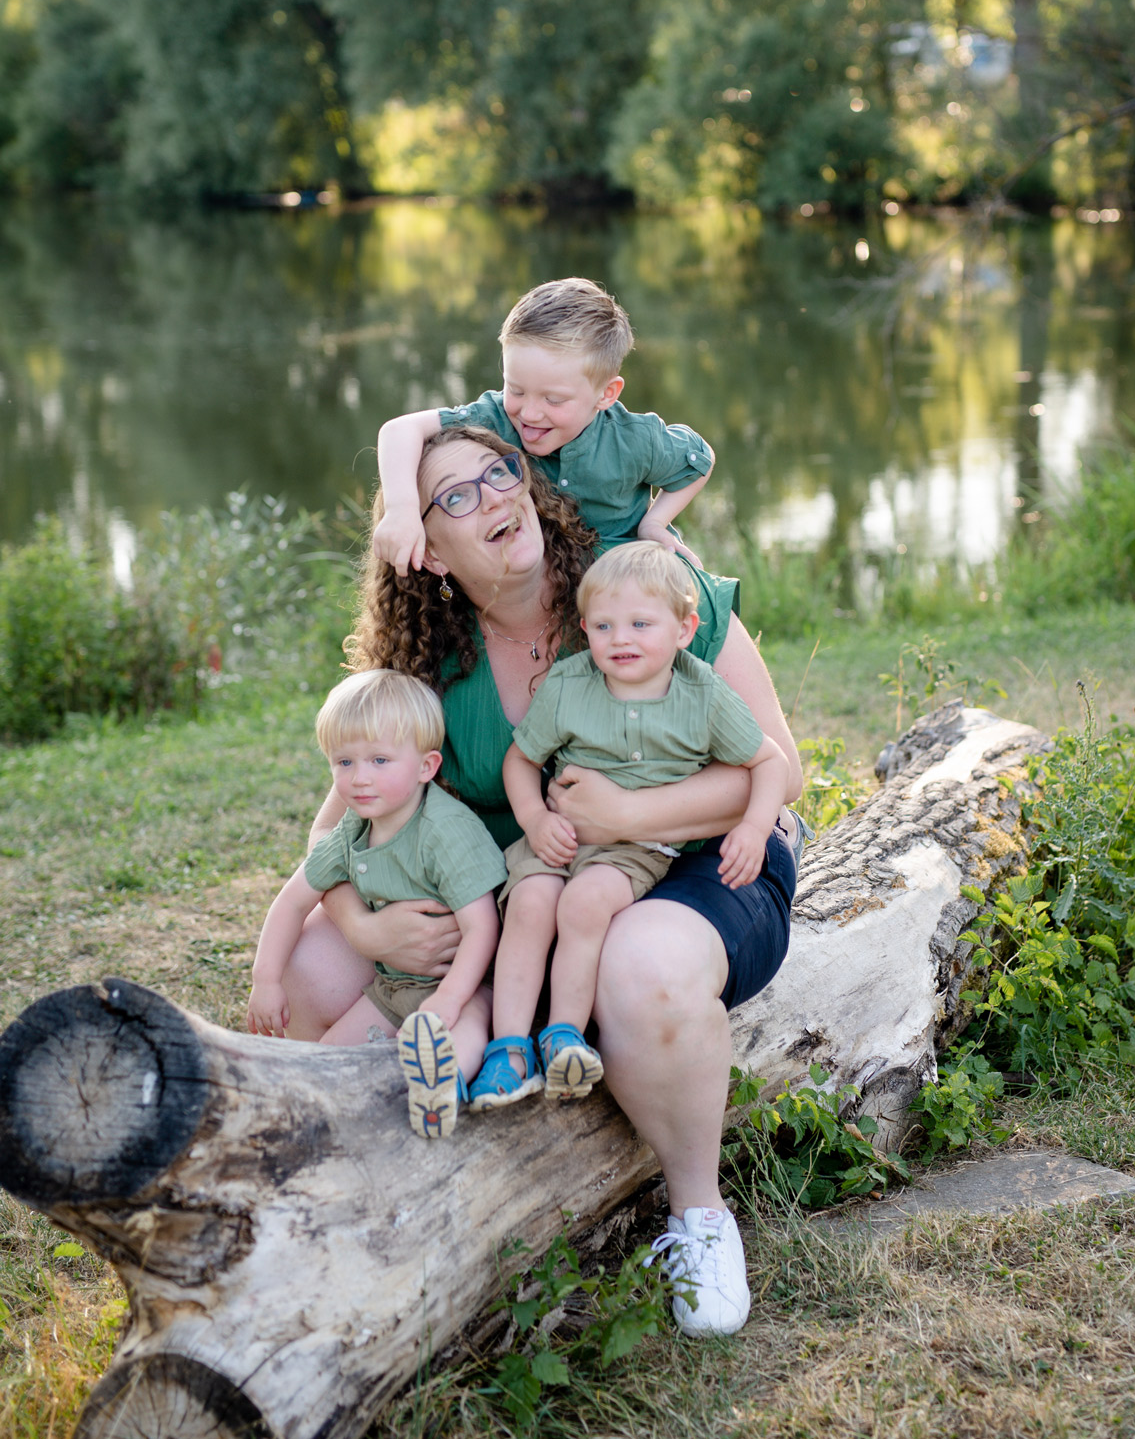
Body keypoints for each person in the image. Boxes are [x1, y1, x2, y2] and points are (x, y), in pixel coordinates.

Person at [280, 426, 804, 1337]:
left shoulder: (638, 590)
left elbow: (778, 770)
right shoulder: (426, 661)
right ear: (427, 552)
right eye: (453, 496)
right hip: (532, 885)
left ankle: (698, 1215)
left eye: (499, 472)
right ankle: (370, 1200)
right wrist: (366, 931)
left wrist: (621, 818)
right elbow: (334, 837)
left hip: (706, 862)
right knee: (315, 971)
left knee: (637, 964)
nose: (491, 495)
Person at [473, 541, 790, 1114]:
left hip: (633, 851)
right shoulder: (570, 685)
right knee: (529, 906)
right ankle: (507, 1050)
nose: (620, 639)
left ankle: (563, 1037)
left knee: (586, 904)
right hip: (557, 835)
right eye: (603, 626)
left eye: (641, 623)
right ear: (585, 629)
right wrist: (535, 819)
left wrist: (752, 826)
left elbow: (770, 762)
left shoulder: (702, 694)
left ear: (684, 629)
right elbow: (521, 760)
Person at [246, 668, 506, 1139]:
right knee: (323, 1068)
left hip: (466, 981)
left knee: (466, 1027)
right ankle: (317, 1122)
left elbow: (482, 927)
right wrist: (265, 980)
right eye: (344, 763)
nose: (359, 778)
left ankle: (439, 1086)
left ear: (427, 766)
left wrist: (448, 998)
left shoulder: (445, 831)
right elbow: (291, 902)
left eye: (379, 761)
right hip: (392, 989)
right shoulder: (352, 831)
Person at [372, 276, 715, 571]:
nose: (530, 413)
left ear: (606, 394)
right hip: (537, 593)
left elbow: (698, 461)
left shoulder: (634, 440)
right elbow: (399, 430)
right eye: (516, 389)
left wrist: (654, 523)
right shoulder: (494, 418)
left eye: (553, 400)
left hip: (620, 589)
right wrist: (401, 510)